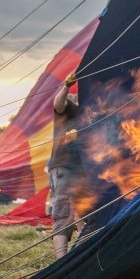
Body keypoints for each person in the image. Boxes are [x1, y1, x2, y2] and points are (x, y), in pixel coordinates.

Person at [49, 72, 85, 259]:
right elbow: (58, 104)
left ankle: (82, 255)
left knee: (86, 212)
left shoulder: (90, 113)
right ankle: (61, 262)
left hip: (83, 171)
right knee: (63, 214)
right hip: (64, 166)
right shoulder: (68, 107)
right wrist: (66, 86)